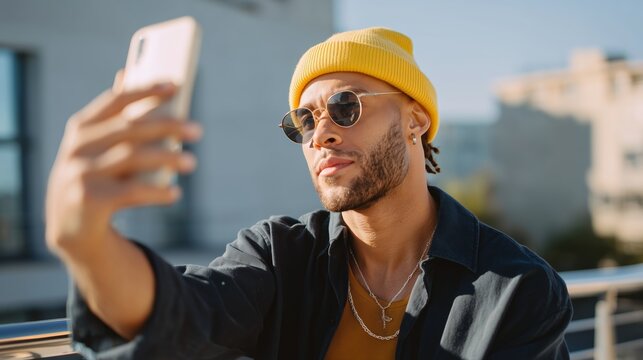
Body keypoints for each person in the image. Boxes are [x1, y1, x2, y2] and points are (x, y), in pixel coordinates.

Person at [46, 27, 572, 359]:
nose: (320, 133)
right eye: (305, 119)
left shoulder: (517, 289)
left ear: (415, 121)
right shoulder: (278, 254)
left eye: (346, 106)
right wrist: (87, 243)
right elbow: (181, 312)